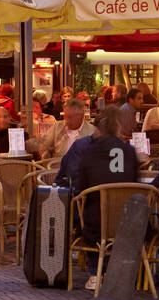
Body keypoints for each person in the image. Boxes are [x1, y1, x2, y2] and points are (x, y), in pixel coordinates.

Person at [59, 107, 139, 289]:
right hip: (127, 221)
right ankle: (124, 272)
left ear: (98, 129)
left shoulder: (89, 151)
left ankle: (96, 273)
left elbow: (80, 187)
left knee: (89, 215)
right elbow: (134, 184)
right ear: (118, 128)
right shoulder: (130, 151)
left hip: (96, 223)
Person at [31, 98, 95, 161]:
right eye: (65, 116)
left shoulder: (92, 132)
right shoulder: (58, 127)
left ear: (81, 116)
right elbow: (43, 143)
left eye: (70, 117)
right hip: (57, 168)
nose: (66, 120)